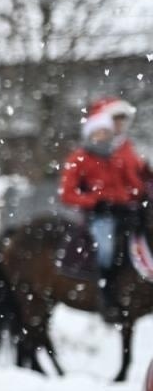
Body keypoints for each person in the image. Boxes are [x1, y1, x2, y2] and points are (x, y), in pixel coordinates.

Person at [60, 100, 147, 318]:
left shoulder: (116, 155)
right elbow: (68, 193)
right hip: (100, 214)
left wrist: (137, 195)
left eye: (105, 132)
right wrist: (94, 201)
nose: (103, 135)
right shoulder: (80, 157)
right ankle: (105, 291)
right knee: (106, 247)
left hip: (123, 211)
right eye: (98, 132)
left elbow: (132, 185)